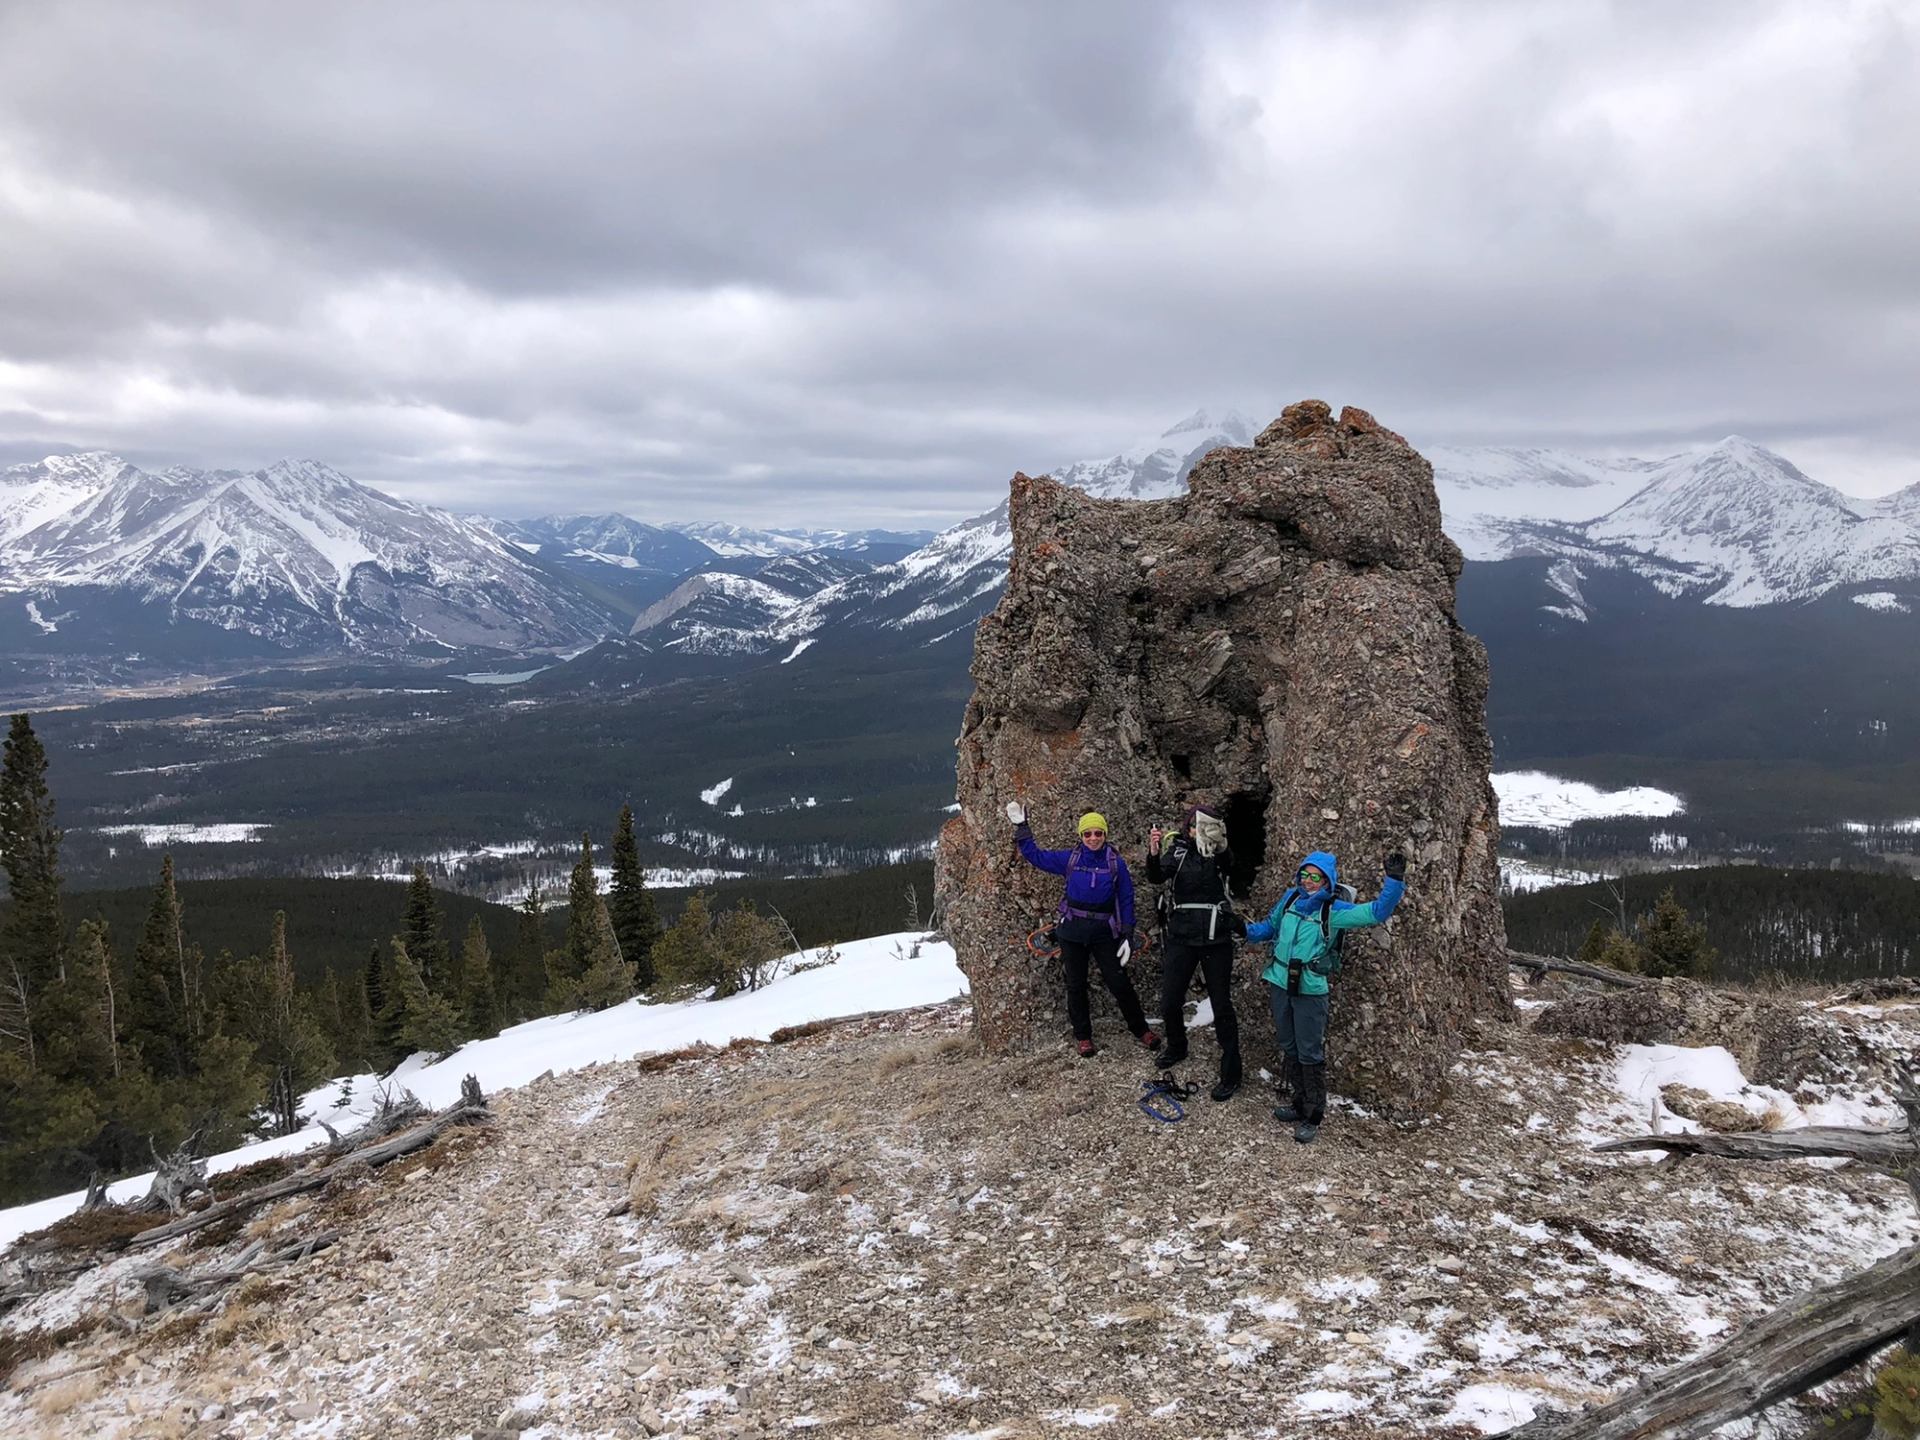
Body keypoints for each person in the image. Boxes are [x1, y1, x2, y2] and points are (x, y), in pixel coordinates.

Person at [1242, 849, 1407, 1144]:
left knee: (1309, 1052)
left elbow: (1377, 912)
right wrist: (1243, 930)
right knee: (1289, 1045)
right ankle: (1298, 1103)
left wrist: (1394, 880)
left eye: (1315, 876)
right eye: (1304, 874)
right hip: (1280, 981)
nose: (1308, 881)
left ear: (1327, 880)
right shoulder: (1290, 900)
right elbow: (1269, 927)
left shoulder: (1335, 911)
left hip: (1310, 989)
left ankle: (1313, 1115)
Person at [1007, 802, 1159, 1058]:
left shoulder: (1115, 863)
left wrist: (1127, 933)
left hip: (1103, 933)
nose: (1093, 838)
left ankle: (1141, 1030)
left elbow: (1126, 897)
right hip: (1072, 931)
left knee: (1119, 982)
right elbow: (1036, 856)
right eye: (1088, 833)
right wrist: (1022, 827)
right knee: (1075, 985)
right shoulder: (1070, 858)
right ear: (1081, 836)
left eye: (1098, 833)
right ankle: (1083, 1036)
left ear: (1105, 835)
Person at [1146, 804, 1241, 1101]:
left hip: (1216, 937)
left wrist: (1222, 844)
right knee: (1170, 999)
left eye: (1201, 827)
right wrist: (1152, 852)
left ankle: (1232, 1071)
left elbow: (1231, 867)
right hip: (1183, 936)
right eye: (1192, 827)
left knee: (1222, 1004)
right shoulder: (1177, 851)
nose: (1195, 832)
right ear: (1186, 828)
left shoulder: (1217, 852)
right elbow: (1156, 877)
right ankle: (1177, 1045)